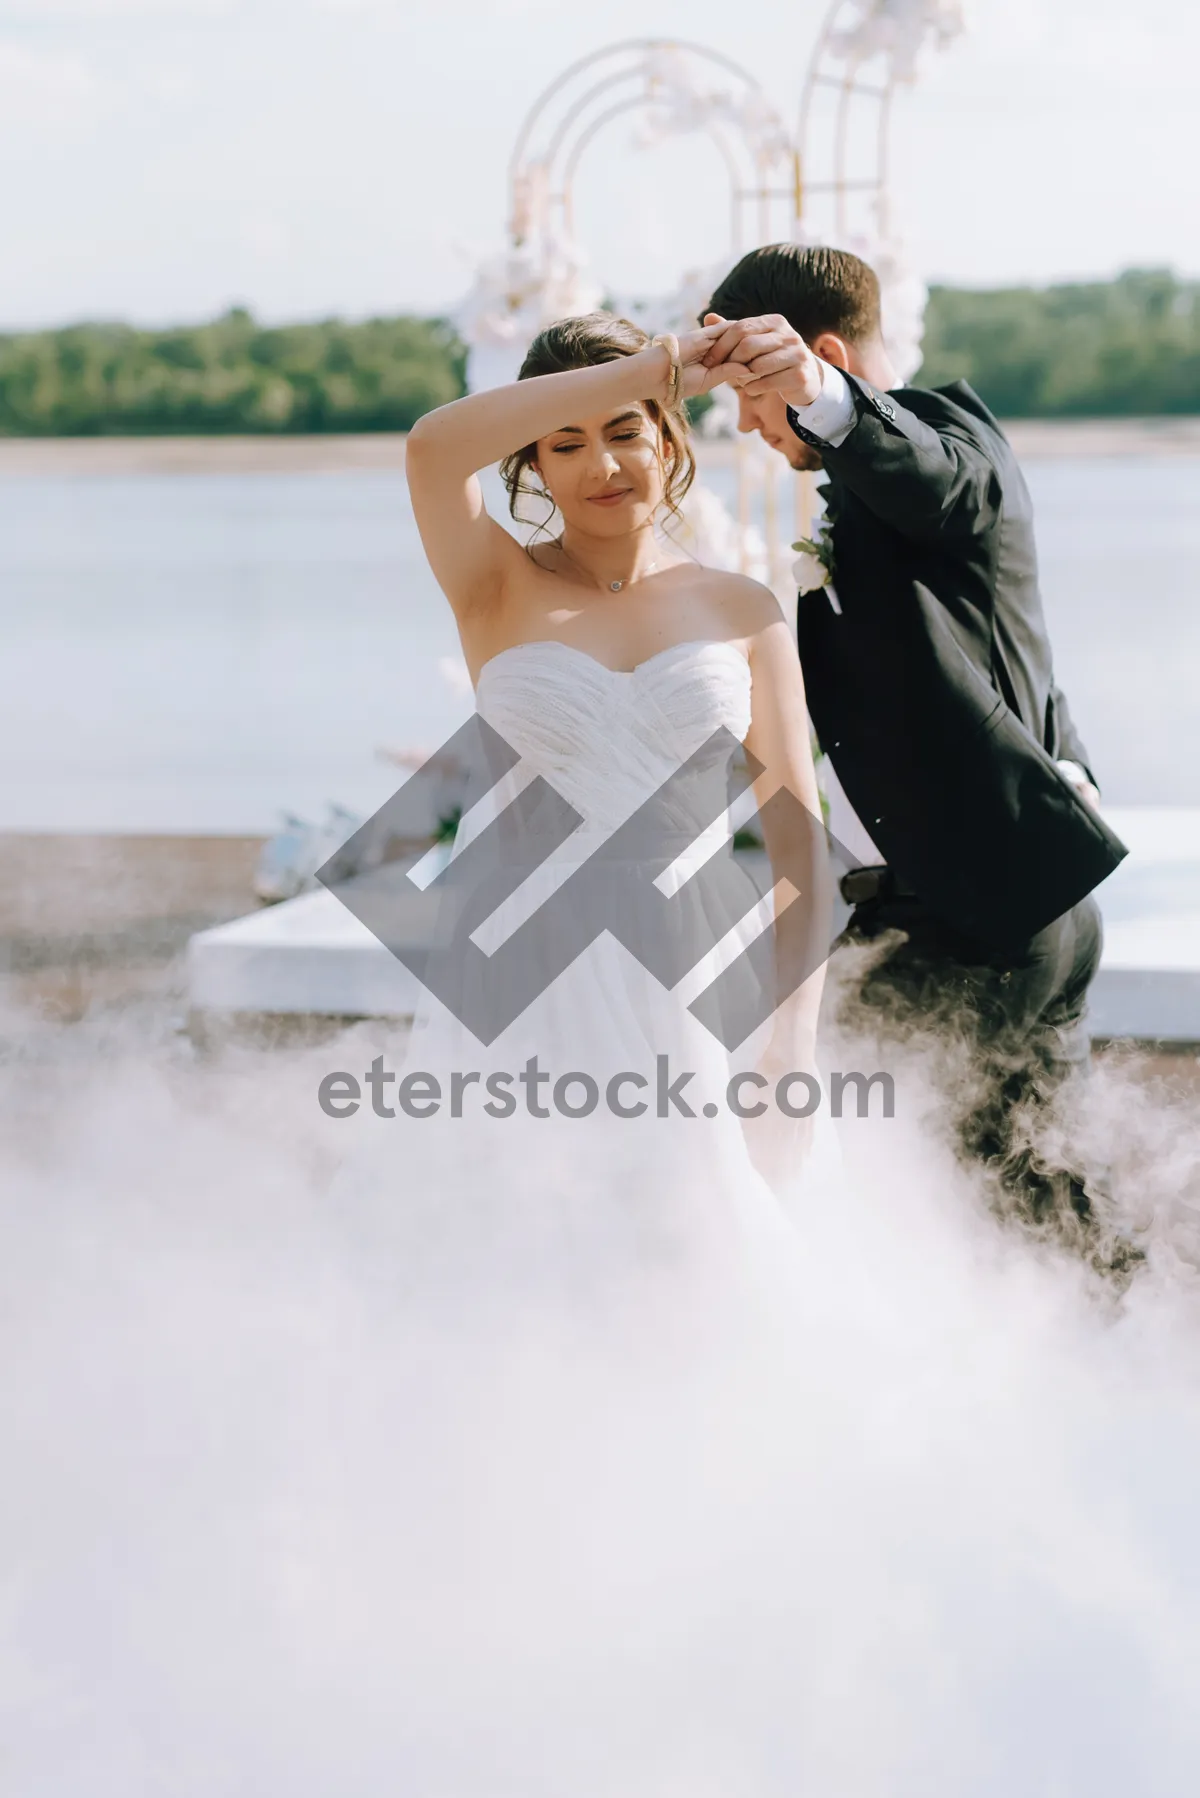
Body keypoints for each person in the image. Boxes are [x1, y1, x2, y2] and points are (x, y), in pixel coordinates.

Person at [702, 244, 1130, 1262]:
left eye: (753, 404)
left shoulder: (950, 440)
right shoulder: (866, 499)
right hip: (956, 899)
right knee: (1010, 1182)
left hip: (982, 915)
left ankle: (1103, 1379)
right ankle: (1111, 1371)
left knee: (983, 1199)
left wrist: (820, 397)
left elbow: (941, 480)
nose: (753, 431)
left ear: (826, 356)